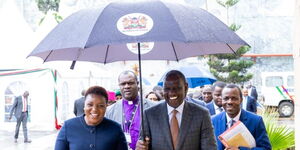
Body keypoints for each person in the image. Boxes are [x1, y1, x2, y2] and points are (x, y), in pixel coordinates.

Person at [136, 70, 217, 150]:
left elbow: (209, 147)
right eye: (167, 89)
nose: (171, 93)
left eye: (176, 88)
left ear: (185, 88)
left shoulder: (201, 114)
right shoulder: (149, 114)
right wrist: (141, 147)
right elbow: (143, 144)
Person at [55, 86, 128, 150]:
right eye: (90, 105)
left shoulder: (115, 129)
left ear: (106, 107)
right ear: (84, 106)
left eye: (101, 105)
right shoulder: (68, 127)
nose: (94, 109)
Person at [105, 70, 156, 150]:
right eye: (123, 84)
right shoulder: (109, 111)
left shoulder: (153, 107)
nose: (126, 86)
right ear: (119, 86)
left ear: (137, 84)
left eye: (130, 83)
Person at [212, 84, 271, 150]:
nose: (229, 102)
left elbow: (266, 148)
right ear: (222, 100)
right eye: (226, 98)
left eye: (234, 98)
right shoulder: (213, 121)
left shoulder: (256, 121)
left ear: (241, 100)